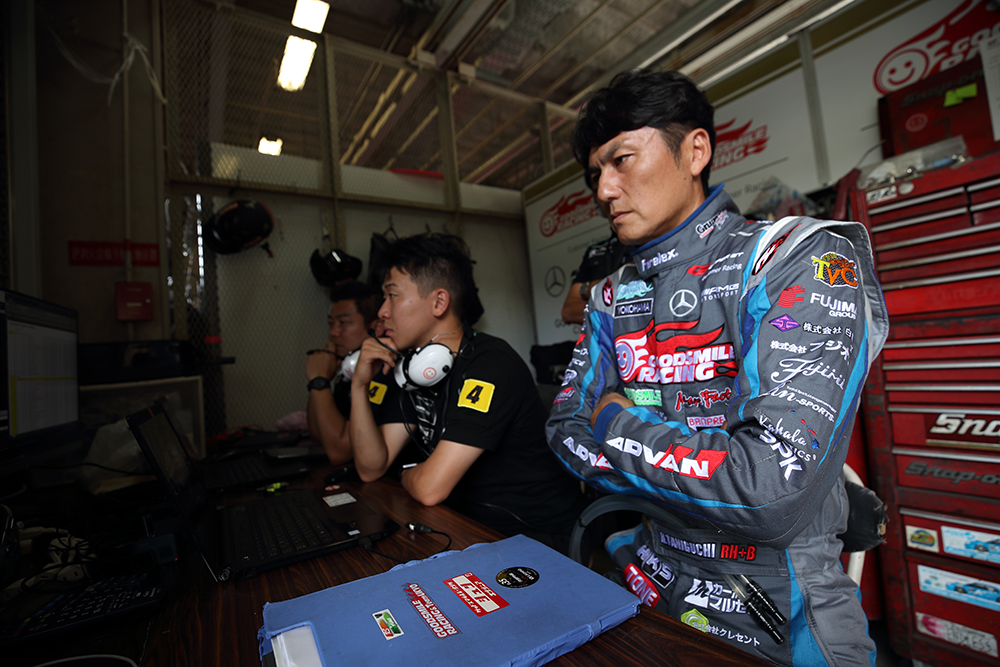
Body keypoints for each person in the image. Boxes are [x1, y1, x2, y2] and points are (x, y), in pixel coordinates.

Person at [545, 69, 888, 666]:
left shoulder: (794, 257)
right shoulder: (610, 296)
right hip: (646, 580)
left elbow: (767, 493)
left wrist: (615, 424)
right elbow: (561, 431)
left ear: (695, 151)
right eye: (595, 173)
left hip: (780, 610)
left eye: (621, 159)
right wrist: (705, 472)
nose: (604, 189)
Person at [349, 232, 587, 553]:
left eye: (392, 296)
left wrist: (405, 474)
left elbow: (430, 488)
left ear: (439, 302)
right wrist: (359, 386)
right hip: (466, 529)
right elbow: (371, 468)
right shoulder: (413, 371)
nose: (381, 311)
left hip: (536, 539)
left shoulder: (490, 363)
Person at [306, 281, 381, 464]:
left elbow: (340, 452)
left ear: (375, 327)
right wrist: (320, 379)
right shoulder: (346, 373)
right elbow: (318, 435)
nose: (333, 333)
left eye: (344, 323)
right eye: (331, 323)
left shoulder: (382, 374)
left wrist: (319, 381)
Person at [561, 228, 629, 325]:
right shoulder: (595, 250)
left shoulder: (643, 243)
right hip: (602, 333)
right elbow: (569, 311)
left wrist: (592, 290)